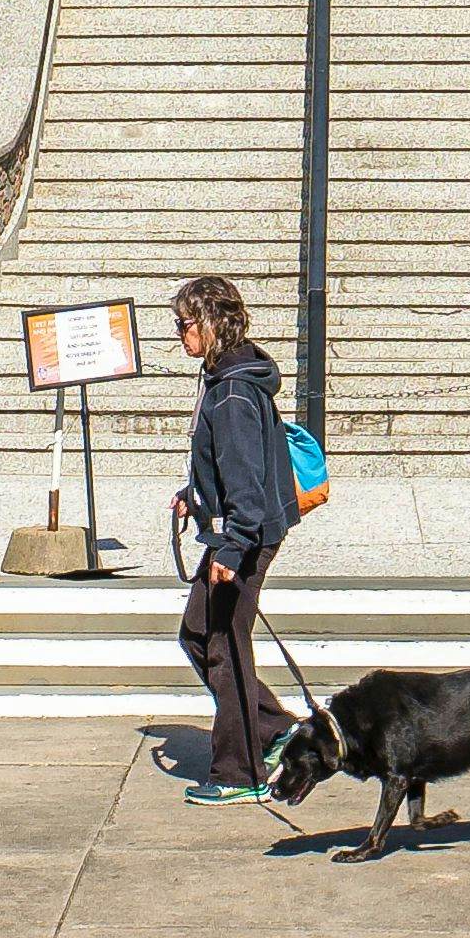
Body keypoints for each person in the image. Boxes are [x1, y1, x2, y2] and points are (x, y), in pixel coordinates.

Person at [167, 273, 288, 803]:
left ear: (213, 322)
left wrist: (235, 546)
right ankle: (273, 727)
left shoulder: (234, 392)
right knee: (199, 632)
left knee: (223, 646)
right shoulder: (225, 378)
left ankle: (241, 772)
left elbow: (245, 478)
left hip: (242, 537)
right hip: (234, 531)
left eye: (185, 323)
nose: (179, 334)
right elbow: (229, 467)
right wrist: (195, 496)